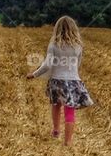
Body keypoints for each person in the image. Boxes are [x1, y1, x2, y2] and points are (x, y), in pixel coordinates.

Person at [26, 16, 95, 146]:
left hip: (57, 81)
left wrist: (34, 74)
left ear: (57, 29)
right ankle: (68, 141)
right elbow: (78, 64)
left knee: (56, 105)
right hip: (73, 81)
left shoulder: (54, 45)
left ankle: (56, 130)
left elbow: (47, 65)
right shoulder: (78, 46)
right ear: (74, 29)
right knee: (70, 111)